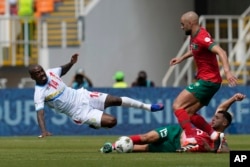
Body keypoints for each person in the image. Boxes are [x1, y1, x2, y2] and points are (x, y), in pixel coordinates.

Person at [28, 53, 164, 138]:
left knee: (115, 100)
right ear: (33, 77)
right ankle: (95, 124)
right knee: (112, 122)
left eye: (41, 71)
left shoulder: (51, 72)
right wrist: (44, 131)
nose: (42, 74)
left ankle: (149, 107)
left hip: (83, 95)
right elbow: (40, 114)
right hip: (79, 112)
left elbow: (62, 70)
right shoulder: (39, 93)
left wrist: (71, 63)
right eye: (38, 73)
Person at [169, 11, 238, 145]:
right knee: (189, 113)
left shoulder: (202, 36)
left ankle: (189, 137)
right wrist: (182, 58)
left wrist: (228, 72)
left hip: (207, 81)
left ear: (191, 23)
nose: (181, 27)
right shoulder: (194, 36)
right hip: (211, 82)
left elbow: (221, 52)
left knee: (177, 105)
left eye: (182, 24)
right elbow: (196, 48)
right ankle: (213, 135)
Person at [100, 93, 245, 153]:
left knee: (145, 148)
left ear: (225, 123)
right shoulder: (210, 129)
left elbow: (226, 152)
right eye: (214, 117)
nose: (213, 119)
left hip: (177, 146)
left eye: (217, 118)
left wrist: (208, 148)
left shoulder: (220, 139)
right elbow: (222, 109)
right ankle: (112, 145)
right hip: (176, 132)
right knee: (148, 137)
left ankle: (112, 148)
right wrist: (233, 98)